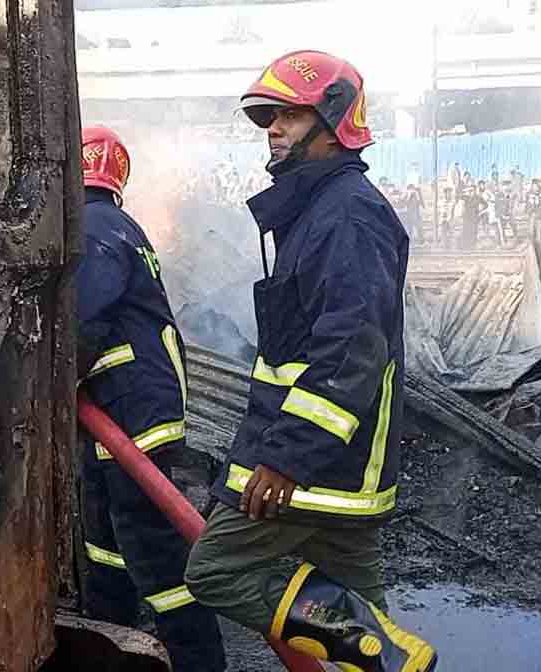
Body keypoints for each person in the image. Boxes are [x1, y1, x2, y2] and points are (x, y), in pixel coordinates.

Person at [183, 50, 437, 672]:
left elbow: (350, 349)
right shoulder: (320, 210)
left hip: (316, 466)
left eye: (289, 116)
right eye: (269, 117)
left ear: (333, 124)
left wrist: (287, 457)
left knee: (215, 570)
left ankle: (374, 645)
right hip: (336, 465)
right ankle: (382, 652)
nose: (272, 129)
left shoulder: (346, 215)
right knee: (367, 617)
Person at [76, 126, 226, 672]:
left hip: (133, 411)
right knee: (106, 538)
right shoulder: (115, 224)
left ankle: (198, 661)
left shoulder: (93, 227)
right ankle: (108, 633)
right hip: (123, 407)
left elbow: (81, 321)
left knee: (155, 549)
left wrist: (41, 387)